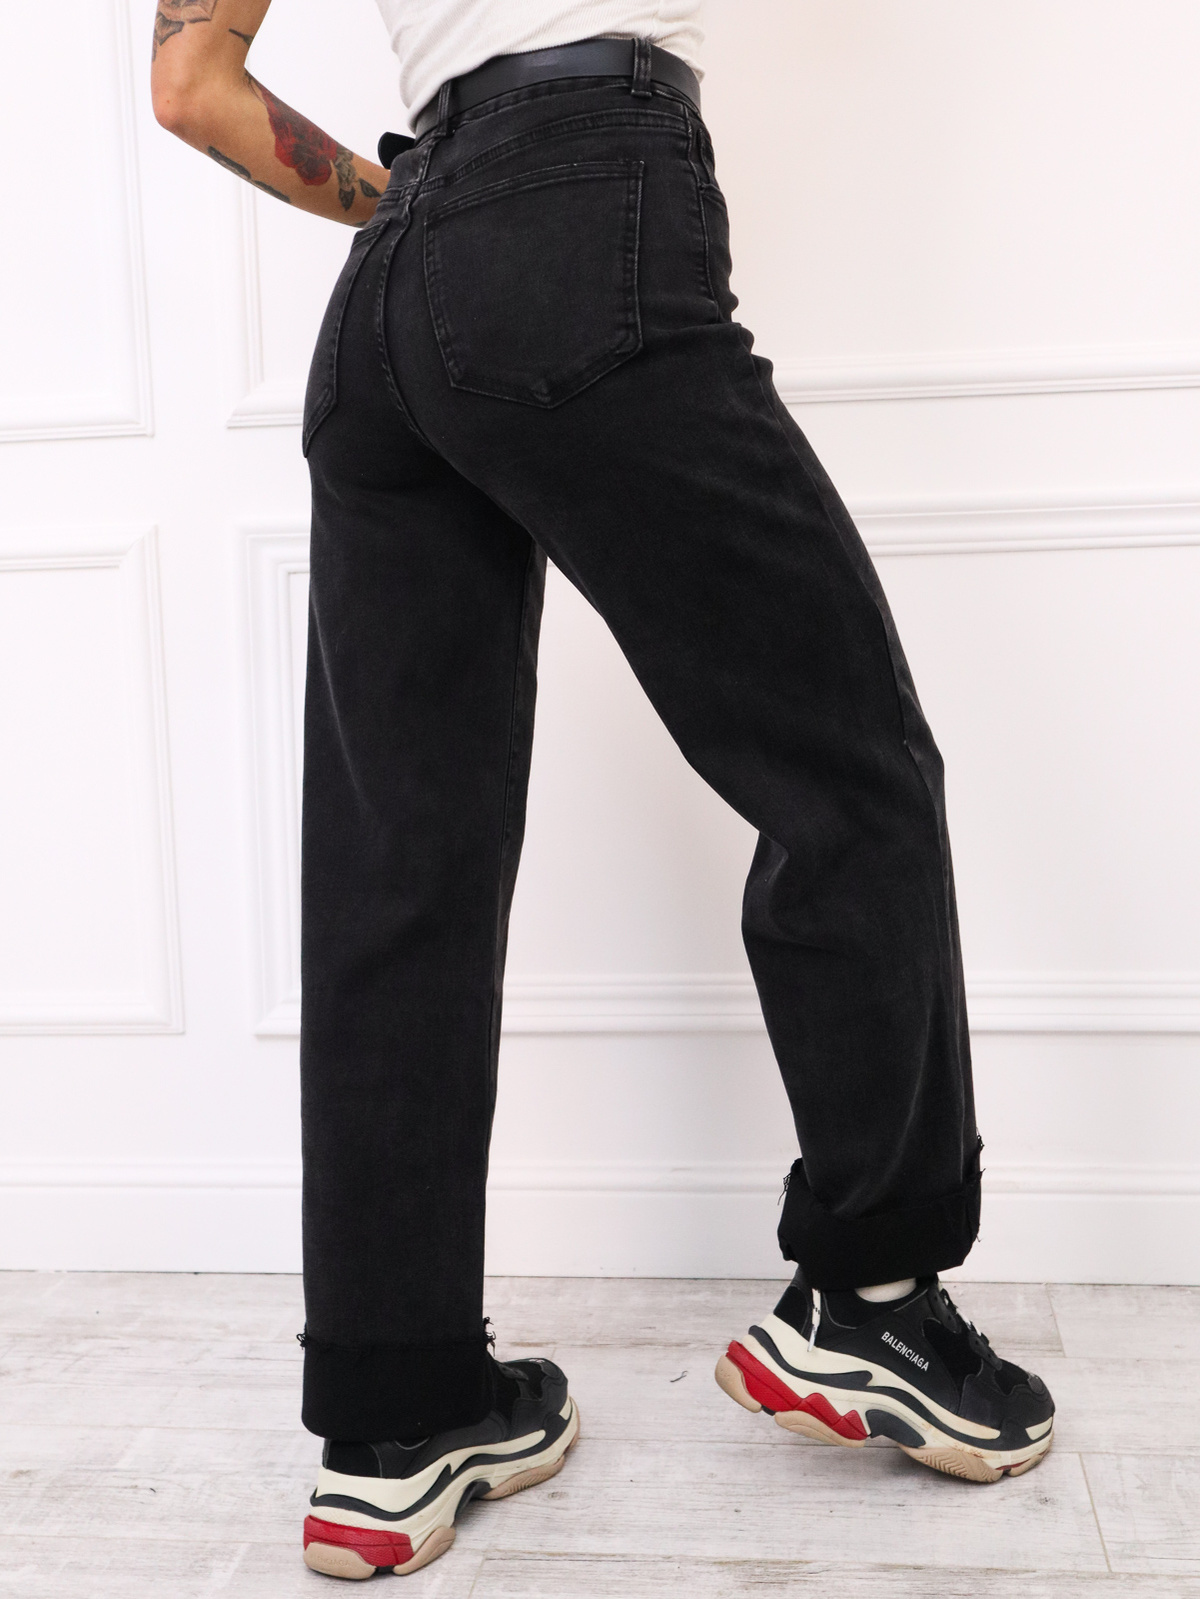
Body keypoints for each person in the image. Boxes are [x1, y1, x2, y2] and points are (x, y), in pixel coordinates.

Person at [152, 0, 1055, 1579]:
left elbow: (191, 88)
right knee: (851, 770)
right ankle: (875, 1300)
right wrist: (514, 238)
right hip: (581, 198)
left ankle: (396, 1420)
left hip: (389, 288)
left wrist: (430, 225)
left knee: (398, 875)